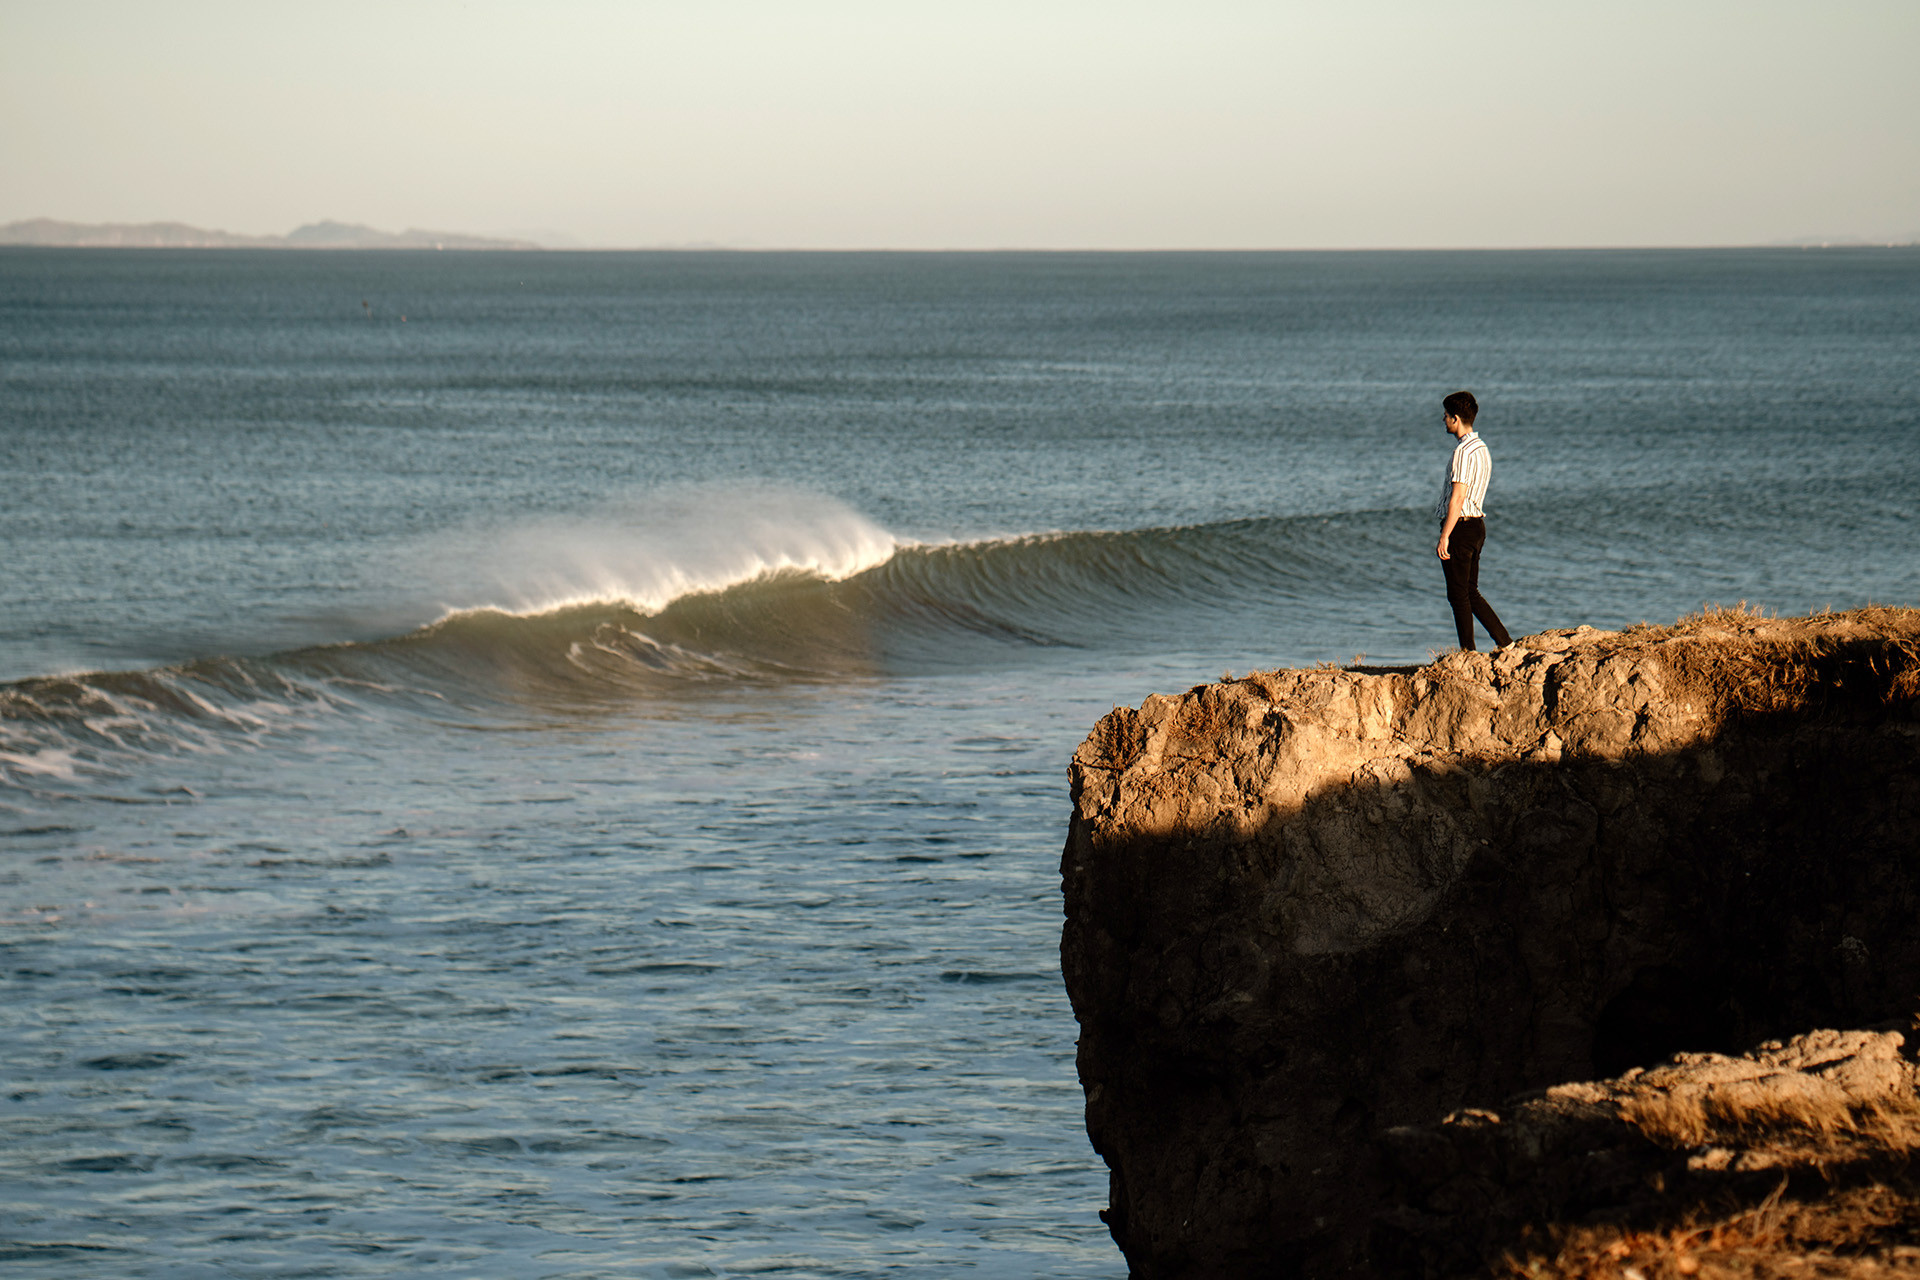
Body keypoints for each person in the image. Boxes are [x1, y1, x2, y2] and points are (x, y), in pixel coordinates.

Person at [1434, 390, 1513, 651]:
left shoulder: (1463, 452)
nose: (1443, 420)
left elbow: (1457, 498)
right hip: (1477, 525)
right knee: (1470, 591)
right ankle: (1505, 642)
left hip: (1462, 525)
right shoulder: (1482, 449)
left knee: (1458, 594)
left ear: (1456, 419)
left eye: (1446, 416)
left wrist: (1445, 535)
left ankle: (1468, 651)